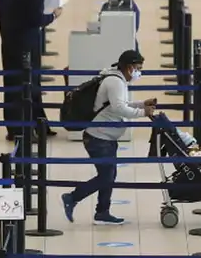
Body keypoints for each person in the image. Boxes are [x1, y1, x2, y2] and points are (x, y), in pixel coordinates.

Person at [62, 50, 155, 225]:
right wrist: (143, 112)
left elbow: (118, 105)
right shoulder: (115, 82)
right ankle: (72, 197)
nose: (138, 73)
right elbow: (120, 108)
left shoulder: (115, 79)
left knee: (109, 174)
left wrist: (142, 104)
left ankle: (102, 212)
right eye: (138, 69)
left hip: (105, 138)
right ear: (129, 68)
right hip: (98, 138)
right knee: (106, 176)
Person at [0, 0, 62, 140]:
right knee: (29, 85)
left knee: (12, 86)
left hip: (9, 44)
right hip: (27, 46)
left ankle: (17, 128)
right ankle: (31, 128)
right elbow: (35, 20)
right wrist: (53, 16)